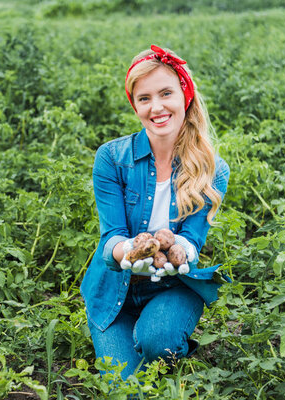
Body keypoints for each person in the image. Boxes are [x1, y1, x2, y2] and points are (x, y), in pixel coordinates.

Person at [80, 45, 230, 380]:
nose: (156, 107)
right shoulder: (112, 158)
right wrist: (128, 252)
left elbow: (191, 239)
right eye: (144, 98)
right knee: (124, 386)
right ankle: (135, 337)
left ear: (184, 95)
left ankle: (161, 337)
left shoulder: (212, 170)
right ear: (135, 105)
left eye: (166, 93)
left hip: (172, 285)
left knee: (157, 342)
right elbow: (112, 235)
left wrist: (180, 251)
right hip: (113, 289)